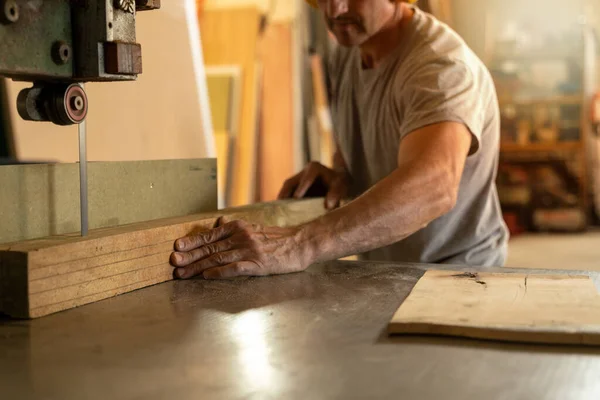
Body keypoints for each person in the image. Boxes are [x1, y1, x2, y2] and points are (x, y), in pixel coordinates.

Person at [169, 0, 509, 280]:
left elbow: (433, 186)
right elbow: (363, 134)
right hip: (386, 272)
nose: (334, 10)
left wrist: (301, 244)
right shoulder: (349, 51)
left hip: (457, 277)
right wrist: (341, 174)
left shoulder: (440, 67)